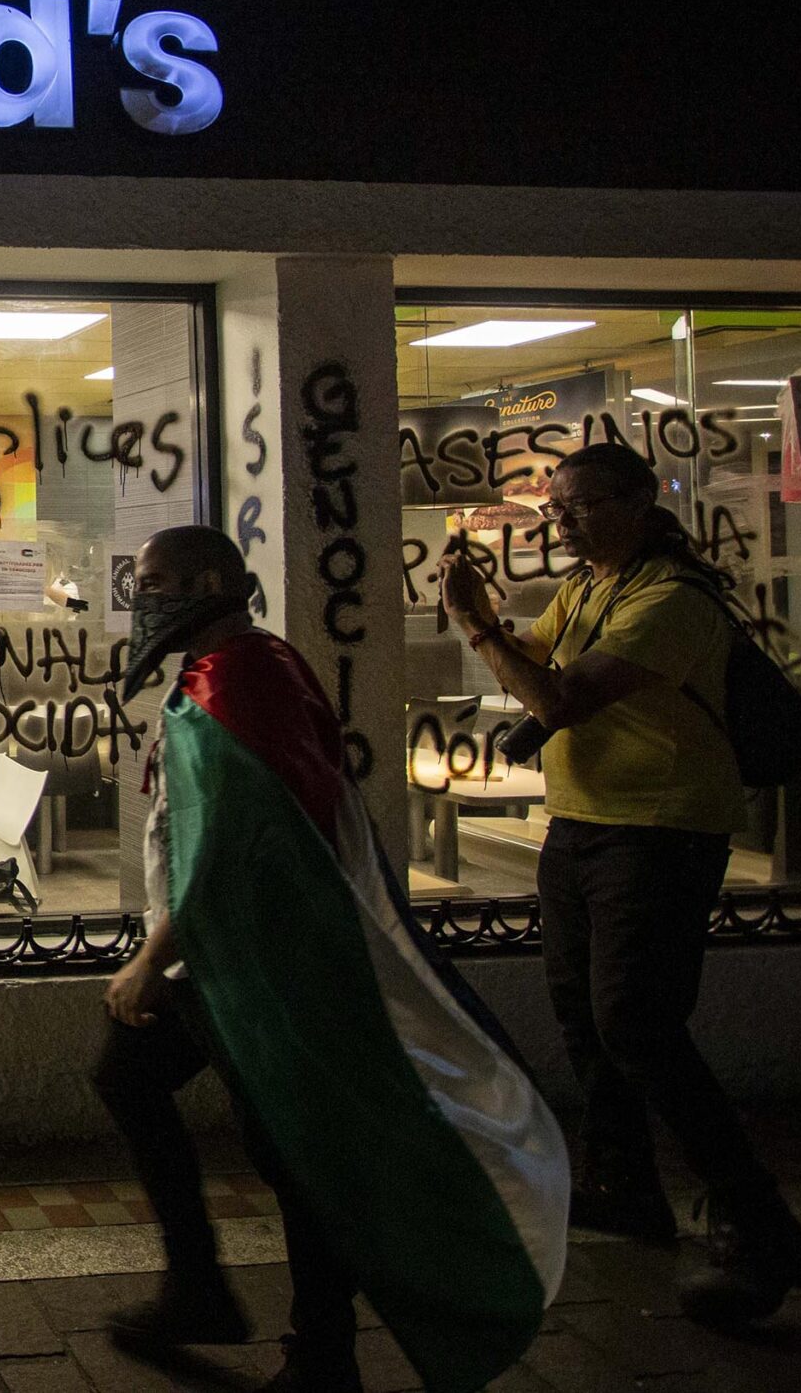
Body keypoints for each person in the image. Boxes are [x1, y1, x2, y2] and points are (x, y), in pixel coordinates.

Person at [100, 525, 565, 1393]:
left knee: (293, 1147)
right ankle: (221, 1298)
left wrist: (154, 956)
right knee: (143, 1081)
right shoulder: (227, 671)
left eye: (157, 579)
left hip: (262, 963)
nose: (145, 597)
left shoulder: (243, 675)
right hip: (229, 959)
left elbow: (240, 836)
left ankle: (315, 1350)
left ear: (209, 580)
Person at [439, 442, 801, 1326]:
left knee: (638, 1022)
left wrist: (475, 622)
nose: (564, 524)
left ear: (642, 501)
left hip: (661, 829)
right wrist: (495, 627)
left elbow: (557, 700)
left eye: (580, 507)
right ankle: (623, 1182)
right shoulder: (587, 590)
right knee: (582, 1008)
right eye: (556, 510)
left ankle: (756, 1216)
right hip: (581, 823)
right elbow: (530, 665)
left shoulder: (671, 601)